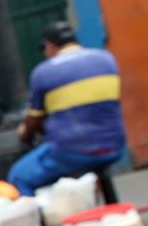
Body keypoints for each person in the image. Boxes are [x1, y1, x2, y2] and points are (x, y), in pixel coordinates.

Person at [10, 20, 127, 196]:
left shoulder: (43, 72)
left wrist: (23, 132)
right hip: (114, 146)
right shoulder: (106, 59)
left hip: (72, 152)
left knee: (19, 176)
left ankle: (40, 221)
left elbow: (33, 122)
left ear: (49, 46)